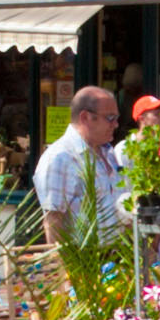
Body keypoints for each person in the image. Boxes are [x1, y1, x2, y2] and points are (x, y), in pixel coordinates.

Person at [31, 87, 129, 241]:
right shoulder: (60, 157)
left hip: (120, 257)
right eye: (110, 118)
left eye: (117, 118)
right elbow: (53, 222)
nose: (116, 124)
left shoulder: (108, 153)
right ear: (85, 117)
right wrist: (63, 265)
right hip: (85, 260)